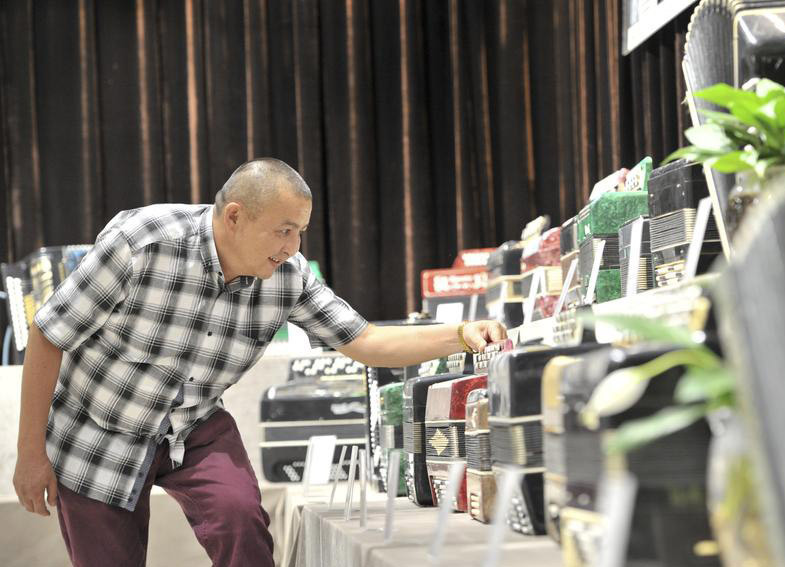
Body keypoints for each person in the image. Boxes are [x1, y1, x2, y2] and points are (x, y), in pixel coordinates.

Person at [13, 157, 507, 567]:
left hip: (194, 426)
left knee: (242, 522)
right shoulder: (143, 242)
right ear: (234, 216)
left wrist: (461, 335)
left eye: (301, 232)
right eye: (284, 230)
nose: (293, 248)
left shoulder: (287, 277)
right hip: (99, 429)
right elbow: (48, 333)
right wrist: (31, 456)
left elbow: (366, 341)